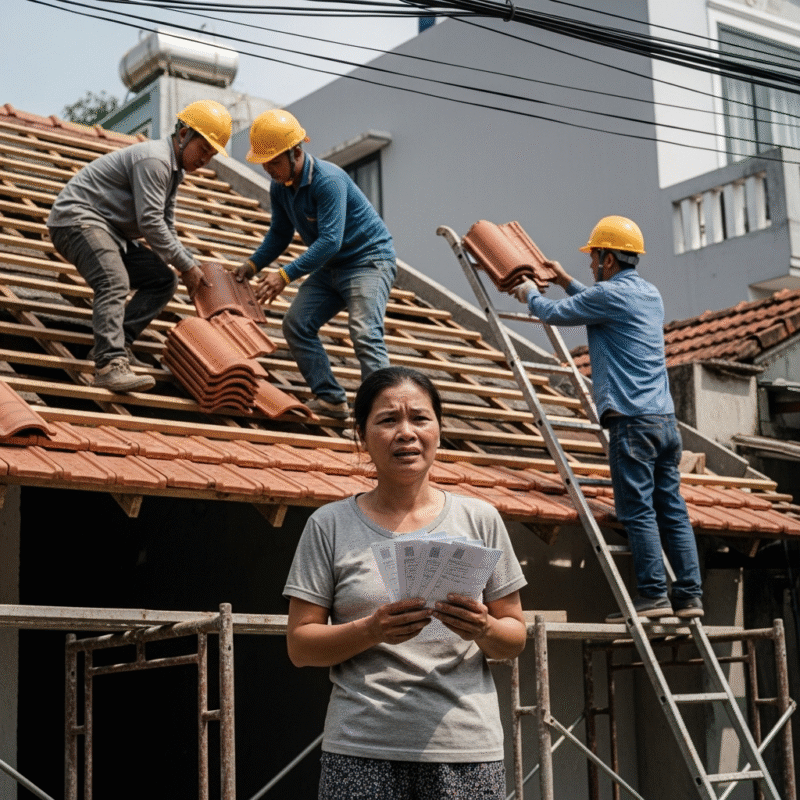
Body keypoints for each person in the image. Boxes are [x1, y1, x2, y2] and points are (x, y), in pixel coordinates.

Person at [283, 366, 527, 799]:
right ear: (361, 435)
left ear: (439, 428)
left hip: (465, 750)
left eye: (419, 418)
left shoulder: (480, 520)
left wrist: (484, 628)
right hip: (360, 749)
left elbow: (514, 638)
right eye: (387, 420)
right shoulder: (330, 525)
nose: (406, 432)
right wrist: (372, 630)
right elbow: (300, 646)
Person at [511, 216, 703, 622]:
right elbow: (598, 301)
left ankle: (653, 596)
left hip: (631, 422)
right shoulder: (649, 294)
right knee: (671, 508)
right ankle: (689, 596)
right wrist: (565, 280)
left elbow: (553, 314)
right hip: (665, 423)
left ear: (609, 259)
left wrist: (530, 292)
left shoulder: (609, 297)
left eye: (595, 257)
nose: (591, 265)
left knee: (637, 511)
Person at [48, 100, 232, 393]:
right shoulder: (155, 160)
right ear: (183, 134)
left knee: (162, 279)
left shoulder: (174, 171)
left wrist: (188, 264)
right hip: (77, 220)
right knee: (113, 280)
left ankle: (118, 343)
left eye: (211, 154)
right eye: (204, 149)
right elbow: (150, 224)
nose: (205, 160)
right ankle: (109, 363)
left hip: (111, 232)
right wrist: (186, 265)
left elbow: (165, 225)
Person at [234, 109, 396, 421]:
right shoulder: (280, 186)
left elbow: (330, 240)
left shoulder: (328, 181)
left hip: (368, 261)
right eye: (263, 162)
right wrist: (252, 265)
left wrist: (284, 275)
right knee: (296, 323)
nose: (268, 168)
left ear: (295, 152)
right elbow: (280, 234)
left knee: (364, 332)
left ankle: (383, 412)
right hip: (332, 266)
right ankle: (331, 398)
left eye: (273, 161)